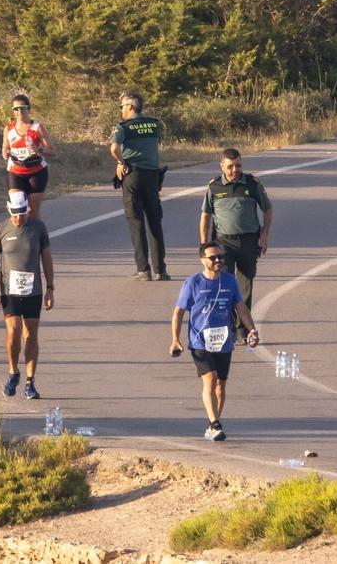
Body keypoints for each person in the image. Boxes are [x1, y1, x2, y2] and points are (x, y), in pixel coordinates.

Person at [170, 242, 260, 441]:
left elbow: (241, 308)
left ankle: (213, 425)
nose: (218, 260)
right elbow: (179, 312)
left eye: (220, 257)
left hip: (224, 342)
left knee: (221, 385)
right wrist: (175, 339)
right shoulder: (192, 283)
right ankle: (214, 424)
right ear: (203, 260)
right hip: (200, 342)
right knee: (209, 379)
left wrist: (251, 330)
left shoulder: (229, 281)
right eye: (213, 258)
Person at [199, 148, 272, 340]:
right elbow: (205, 216)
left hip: (249, 241)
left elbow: (267, 209)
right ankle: (228, 325)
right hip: (223, 243)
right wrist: (204, 244)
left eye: (238, 165)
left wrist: (264, 235)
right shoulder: (214, 187)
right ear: (222, 166)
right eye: (230, 166)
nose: (234, 169)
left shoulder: (252, 184)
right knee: (225, 285)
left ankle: (242, 328)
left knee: (245, 285)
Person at [0, 191, 54, 399]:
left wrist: (51, 288)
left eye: (23, 213)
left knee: (31, 335)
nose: (19, 218)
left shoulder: (38, 228)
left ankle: (30, 381)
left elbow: (47, 258)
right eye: (16, 214)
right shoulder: (0, 229)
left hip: (33, 291)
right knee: (13, 331)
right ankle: (13, 371)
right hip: (10, 291)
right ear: (9, 211)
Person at [110, 91, 168, 280]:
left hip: (133, 174)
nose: (121, 110)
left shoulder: (123, 127)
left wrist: (121, 162)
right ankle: (161, 269)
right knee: (154, 222)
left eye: (122, 106)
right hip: (152, 176)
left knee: (136, 222)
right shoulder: (153, 124)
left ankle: (143, 269)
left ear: (131, 106)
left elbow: (114, 148)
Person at [2, 94, 52, 219]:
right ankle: (18, 237)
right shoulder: (8, 129)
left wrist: (38, 150)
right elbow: (4, 150)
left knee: (32, 211)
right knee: (17, 210)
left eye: (22, 108)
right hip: (15, 172)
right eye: (15, 109)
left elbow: (52, 150)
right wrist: (5, 153)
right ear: (13, 112)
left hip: (36, 172)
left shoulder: (37, 128)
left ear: (28, 109)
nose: (19, 111)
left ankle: (38, 237)